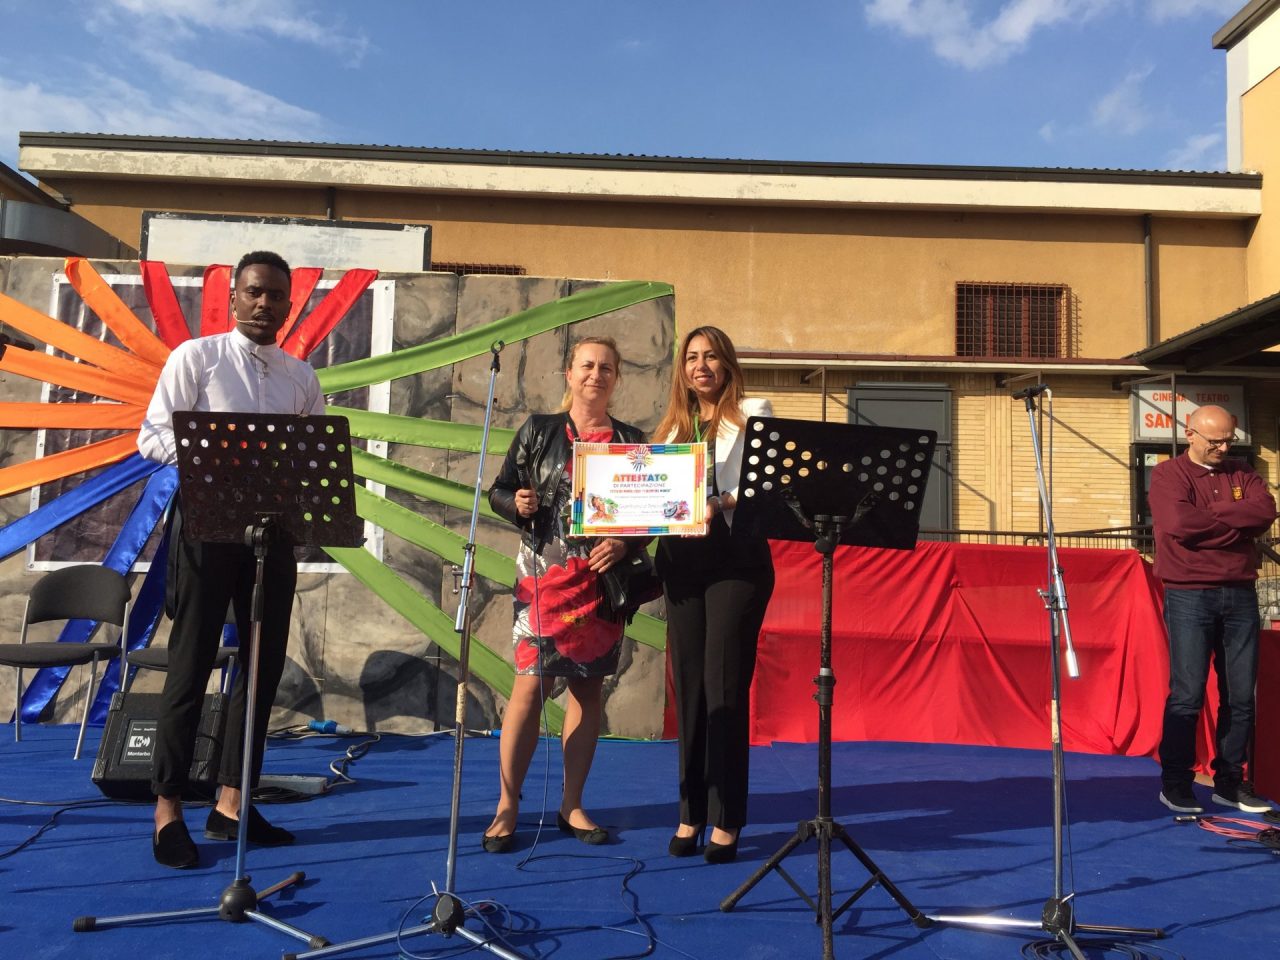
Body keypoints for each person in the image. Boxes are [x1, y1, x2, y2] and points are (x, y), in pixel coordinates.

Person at [137, 250, 325, 868]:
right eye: (254, 292)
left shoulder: (301, 375)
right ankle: (168, 809)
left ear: (289, 305)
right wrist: (216, 461)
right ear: (233, 298)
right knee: (189, 667)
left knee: (261, 670)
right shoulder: (195, 358)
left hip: (271, 540)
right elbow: (153, 437)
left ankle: (231, 802)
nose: (265, 303)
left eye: (276, 295)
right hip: (206, 531)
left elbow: (313, 453)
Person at [483, 335, 646, 852]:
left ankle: (571, 804)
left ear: (617, 377)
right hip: (542, 575)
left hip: (601, 580)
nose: (595, 374)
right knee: (529, 687)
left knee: (587, 691)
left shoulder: (632, 439)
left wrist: (625, 542)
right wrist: (518, 503)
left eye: (606, 367)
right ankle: (507, 805)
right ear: (569, 374)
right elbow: (498, 491)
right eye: (586, 365)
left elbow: (653, 515)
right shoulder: (539, 429)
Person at [654, 326, 774, 864]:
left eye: (711, 357)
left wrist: (721, 502)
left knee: (724, 689)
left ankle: (726, 820)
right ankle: (690, 812)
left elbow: (767, 485)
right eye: (692, 358)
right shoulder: (672, 427)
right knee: (692, 694)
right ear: (682, 369)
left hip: (736, 562)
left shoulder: (754, 412)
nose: (700, 366)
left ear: (727, 363)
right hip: (682, 566)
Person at [1149, 403, 1276, 815]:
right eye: (1214, 440)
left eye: (1227, 440)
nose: (1222, 447)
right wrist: (1235, 527)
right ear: (1190, 434)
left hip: (1240, 593)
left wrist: (1213, 516)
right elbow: (1178, 524)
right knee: (1187, 694)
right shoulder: (1168, 474)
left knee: (1241, 695)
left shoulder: (1244, 472)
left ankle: (1230, 782)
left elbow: (1265, 511)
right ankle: (1176, 783)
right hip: (1189, 594)